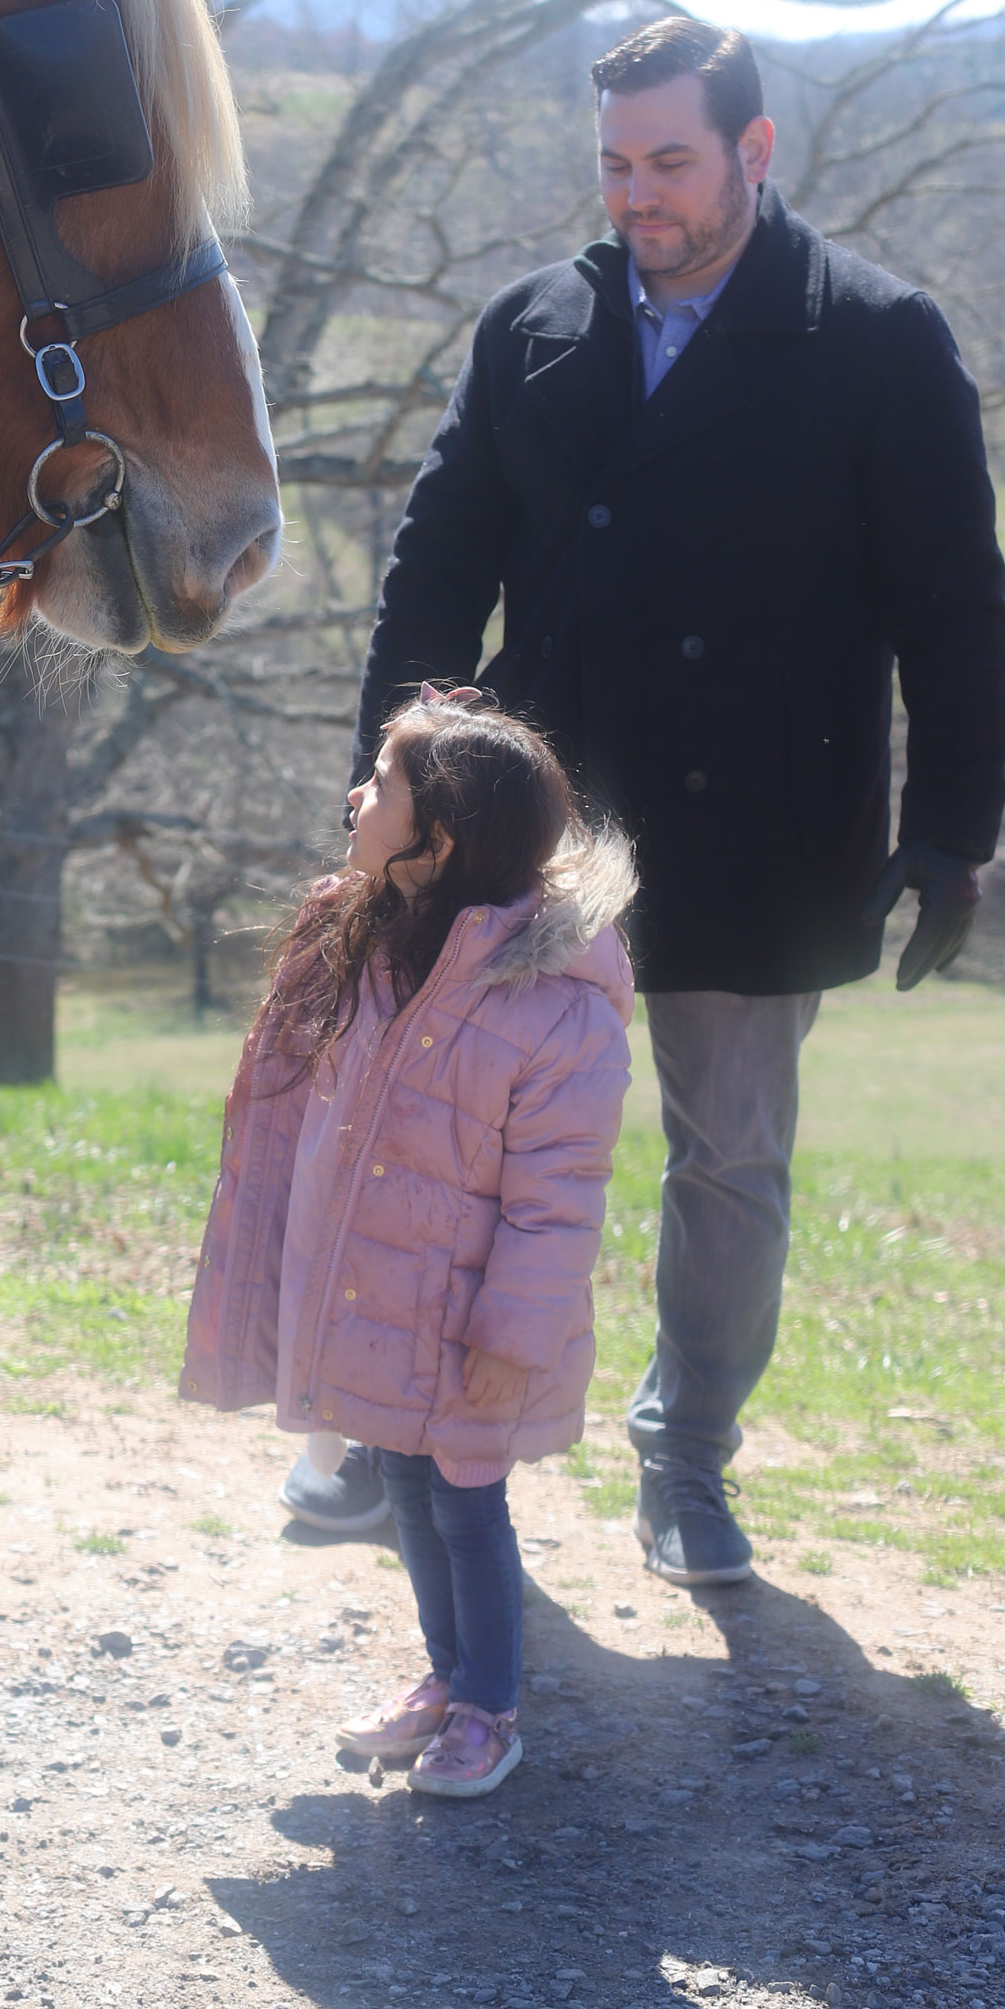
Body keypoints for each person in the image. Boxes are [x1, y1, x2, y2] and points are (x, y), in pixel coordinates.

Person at [351, 16, 1005, 1585]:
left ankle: (689, 1453)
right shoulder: (531, 326)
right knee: (455, 1134)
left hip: (770, 814)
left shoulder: (878, 334)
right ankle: (413, 1424)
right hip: (537, 812)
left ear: (755, 152)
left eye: (669, 161)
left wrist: (956, 831)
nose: (636, 195)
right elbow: (437, 558)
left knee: (729, 1157)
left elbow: (956, 608)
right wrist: (394, 763)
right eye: (614, 163)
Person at [183, 693, 635, 1800]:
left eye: (379, 783)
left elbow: (555, 1200)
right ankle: (446, 1679)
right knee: (403, 1492)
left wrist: (510, 1334)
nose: (355, 796)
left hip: (470, 1323)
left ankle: (489, 1707)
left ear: (437, 840)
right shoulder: (376, 944)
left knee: (466, 1507)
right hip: (377, 1300)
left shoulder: (555, 1007)